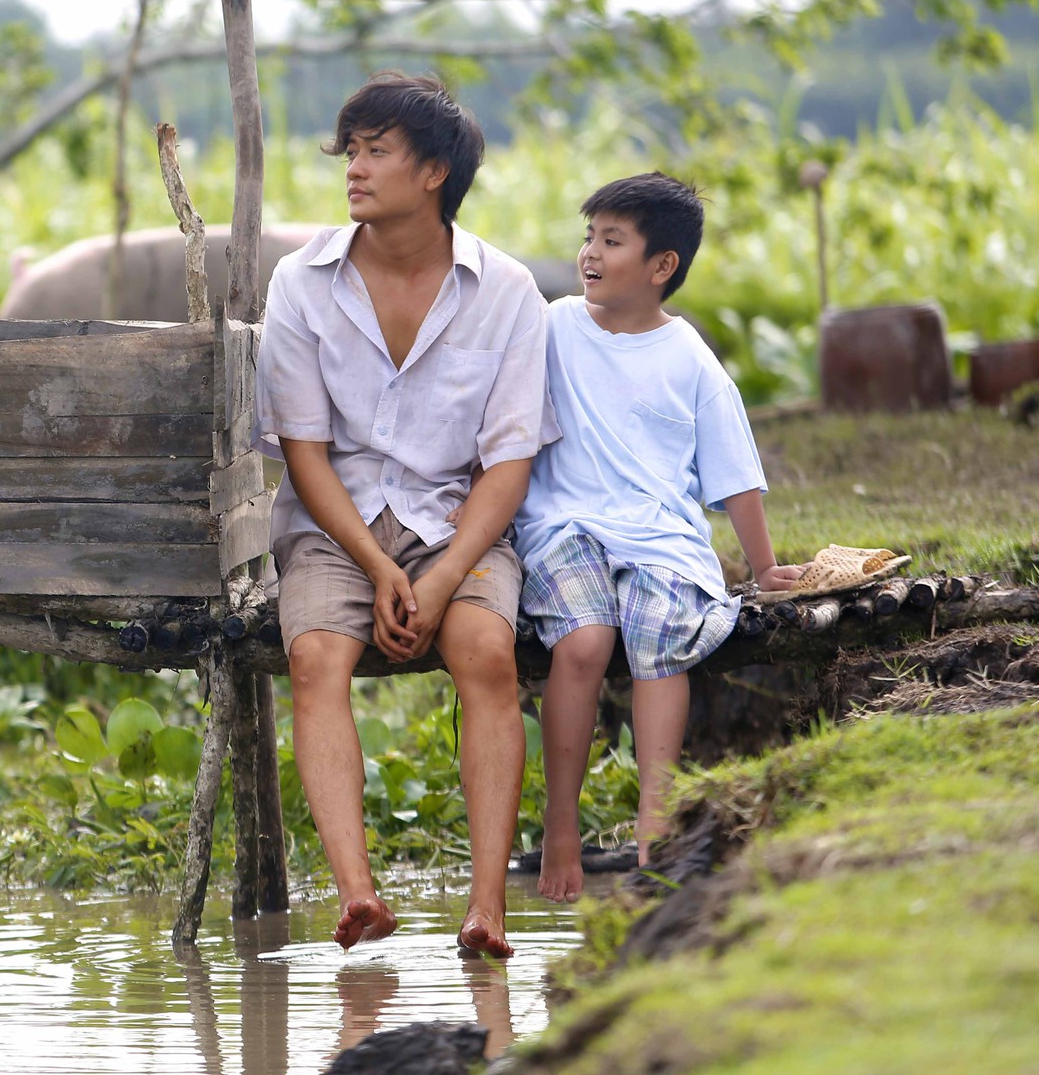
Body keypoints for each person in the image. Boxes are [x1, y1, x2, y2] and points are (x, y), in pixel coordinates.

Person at [253, 71, 557, 958]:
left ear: (433, 171)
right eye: (351, 150)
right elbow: (304, 452)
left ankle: (487, 906)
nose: (355, 168)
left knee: (487, 653)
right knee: (314, 658)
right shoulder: (302, 282)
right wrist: (384, 569)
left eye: (376, 150)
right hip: (333, 523)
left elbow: (510, 460)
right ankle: (359, 894)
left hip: (458, 522)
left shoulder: (505, 292)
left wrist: (445, 571)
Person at [516, 172, 806, 903]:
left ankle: (656, 815)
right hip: (564, 524)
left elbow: (734, 472)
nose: (590, 253)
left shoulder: (690, 358)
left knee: (657, 640)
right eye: (589, 236)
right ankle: (560, 823)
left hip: (660, 538)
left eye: (612, 240)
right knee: (582, 640)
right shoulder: (553, 327)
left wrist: (763, 565)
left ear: (661, 265)